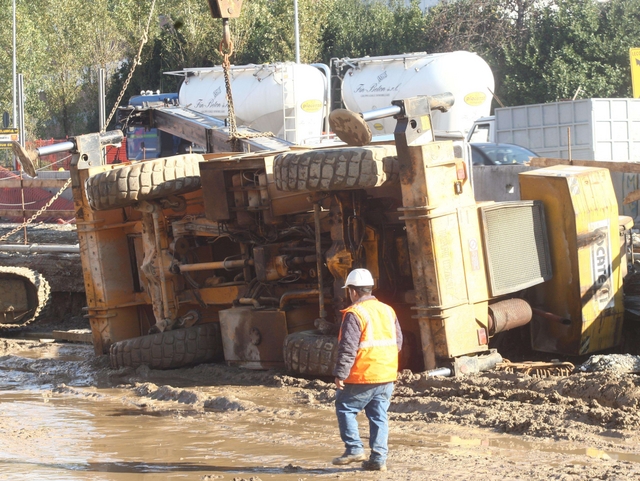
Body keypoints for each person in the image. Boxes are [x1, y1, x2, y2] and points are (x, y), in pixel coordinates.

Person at [332, 268, 403, 472]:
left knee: (345, 407)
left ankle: (354, 448)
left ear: (353, 292)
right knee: (379, 416)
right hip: (386, 375)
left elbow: (348, 347)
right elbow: (398, 342)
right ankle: (378, 459)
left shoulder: (355, 313)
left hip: (364, 375)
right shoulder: (388, 310)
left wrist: (341, 374)